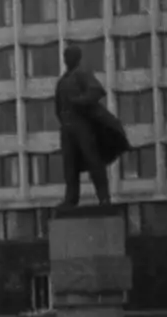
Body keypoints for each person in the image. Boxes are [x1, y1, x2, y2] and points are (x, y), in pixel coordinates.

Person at [55, 42, 129, 208]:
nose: (67, 59)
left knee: (93, 160)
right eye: (66, 57)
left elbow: (96, 91)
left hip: (82, 126)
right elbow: (57, 107)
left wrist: (79, 102)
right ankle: (71, 198)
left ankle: (103, 197)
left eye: (70, 56)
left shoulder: (81, 74)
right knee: (70, 165)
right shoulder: (62, 82)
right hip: (67, 129)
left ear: (77, 59)